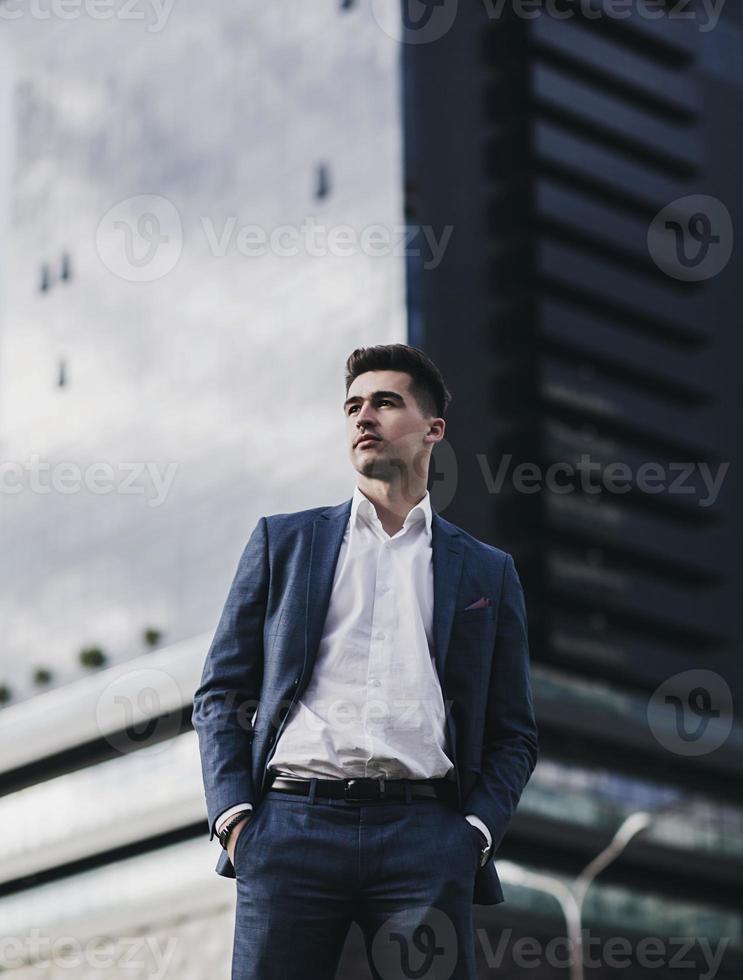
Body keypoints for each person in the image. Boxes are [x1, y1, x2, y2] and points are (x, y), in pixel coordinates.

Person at [192, 343, 538, 980]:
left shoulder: (489, 571)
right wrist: (236, 820)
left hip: (426, 836)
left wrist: (473, 835)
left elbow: (513, 732)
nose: (363, 417)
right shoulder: (285, 542)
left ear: (432, 429)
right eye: (353, 405)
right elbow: (220, 694)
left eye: (385, 402)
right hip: (290, 827)